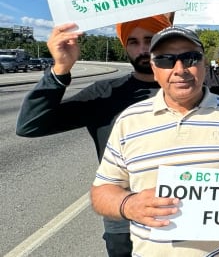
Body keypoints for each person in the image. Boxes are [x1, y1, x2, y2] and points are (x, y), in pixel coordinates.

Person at [90, 26, 219, 256]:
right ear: (154, 68)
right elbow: (102, 191)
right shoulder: (128, 121)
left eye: (190, 58)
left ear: (204, 63)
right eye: (165, 60)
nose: (179, 69)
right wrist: (129, 205)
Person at [16, 14, 172, 257]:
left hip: (185, 215)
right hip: (125, 222)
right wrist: (60, 69)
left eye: (150, 39)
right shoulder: (106, 93)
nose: (142, 48)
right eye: (133, 41)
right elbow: (31, 125)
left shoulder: (194, 91)